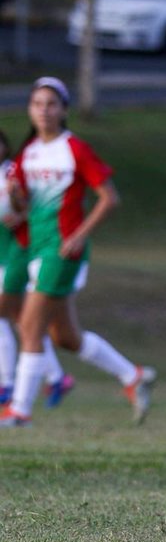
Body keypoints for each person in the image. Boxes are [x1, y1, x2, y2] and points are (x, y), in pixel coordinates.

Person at [0, 77, 156, 428]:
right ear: (29, 110)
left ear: (64, 110)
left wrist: (79, 235)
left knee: (30, 326)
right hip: (35, 247)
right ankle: (133, 376)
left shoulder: (74, 149)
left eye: (51, 104)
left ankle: (19, 411)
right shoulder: (28, 153)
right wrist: (14, 199)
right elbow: (21, 208)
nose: (44, 110)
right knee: (65, 337)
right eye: (37, 104)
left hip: (62, 250)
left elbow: (109, 198)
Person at [0, 128, 74, 411]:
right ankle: (54, 377)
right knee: (25, 320)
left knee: (17, 318)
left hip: (18, 251)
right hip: (9, 253)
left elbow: (27, 207)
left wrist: (17, 211)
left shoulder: (13, 171)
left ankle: (9, 387)